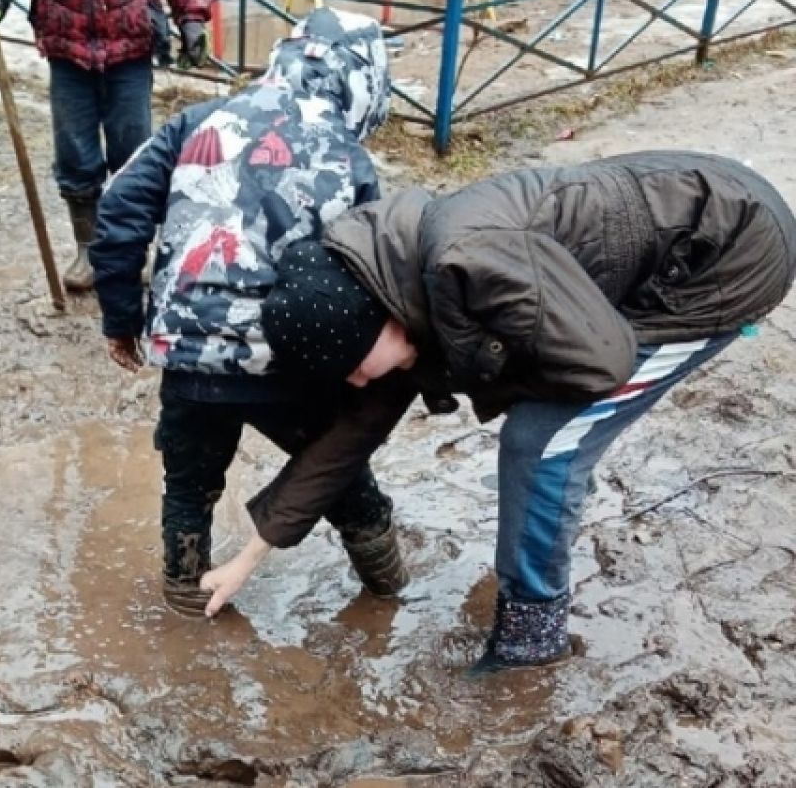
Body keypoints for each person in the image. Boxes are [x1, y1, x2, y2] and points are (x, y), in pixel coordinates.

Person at [201, 150, 796, 674]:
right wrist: (247, 560)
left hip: (727, 256)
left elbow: (604, 362)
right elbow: (347, 437)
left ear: (370, 321)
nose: (356, 380)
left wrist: (497, 367)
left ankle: (532, 638)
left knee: (541, 440)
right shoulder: (393, 289)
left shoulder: (466, 262)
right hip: (687, 207)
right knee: (532, 424)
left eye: (353, 364)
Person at [87, 9, 401, 615]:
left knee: (188, 487)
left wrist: (122, 320)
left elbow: (118, 213)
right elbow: (371, 271)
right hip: (291, 367)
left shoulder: (196, 122)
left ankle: (184, 602)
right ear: (360, 80)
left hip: (188, 358)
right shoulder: (347, 155)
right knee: (336, 472)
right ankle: (388, 588)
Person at [0, 0, 211, 291]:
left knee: (132, 154)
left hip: (130, 44)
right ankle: (90, 250)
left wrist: (191, 19)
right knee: (75, 153)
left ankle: (130, 250)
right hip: (66, 46)